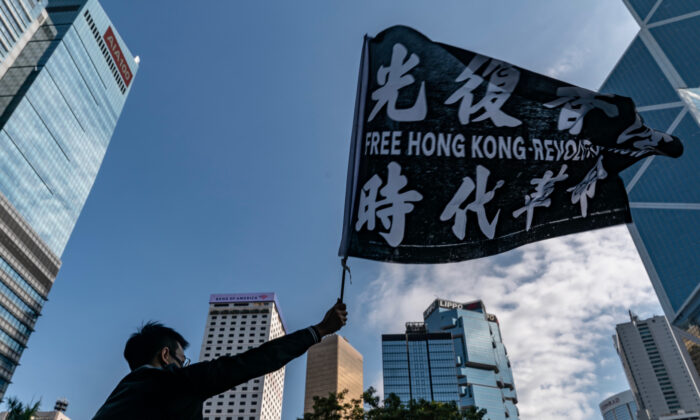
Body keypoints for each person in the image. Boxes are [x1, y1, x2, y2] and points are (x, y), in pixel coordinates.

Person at [92, 300, 347, 419]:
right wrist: (320, 330)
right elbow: (251, 362)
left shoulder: (115, 401)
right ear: (165, 355)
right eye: (182, 361)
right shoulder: (173, 383)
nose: (183, 367)